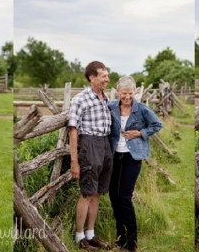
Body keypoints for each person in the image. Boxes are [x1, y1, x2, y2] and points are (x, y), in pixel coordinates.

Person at [108, 76, 162, 252]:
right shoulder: (110, 107)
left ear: (134, 92)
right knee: (113, 196)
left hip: (133, 156)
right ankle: (120, 236)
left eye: (130, 94)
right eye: (124, 93)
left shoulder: (142, 109)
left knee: (125, 196)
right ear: (118, 92)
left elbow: (157, 124)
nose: (127, 97)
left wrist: (140, 133)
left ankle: (132, 242)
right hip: (114, 155)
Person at [68, 61, 113, 251]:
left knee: (97, 193)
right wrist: (74, 161)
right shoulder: (80, 100)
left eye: (107, 75)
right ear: (91, 78)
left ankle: (91, 234)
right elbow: (73, 130)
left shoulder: (105, 98)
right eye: (103, 76)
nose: (107, 79)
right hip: (89, 144)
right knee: (87, 192)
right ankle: (80, 238)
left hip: (105, 144)